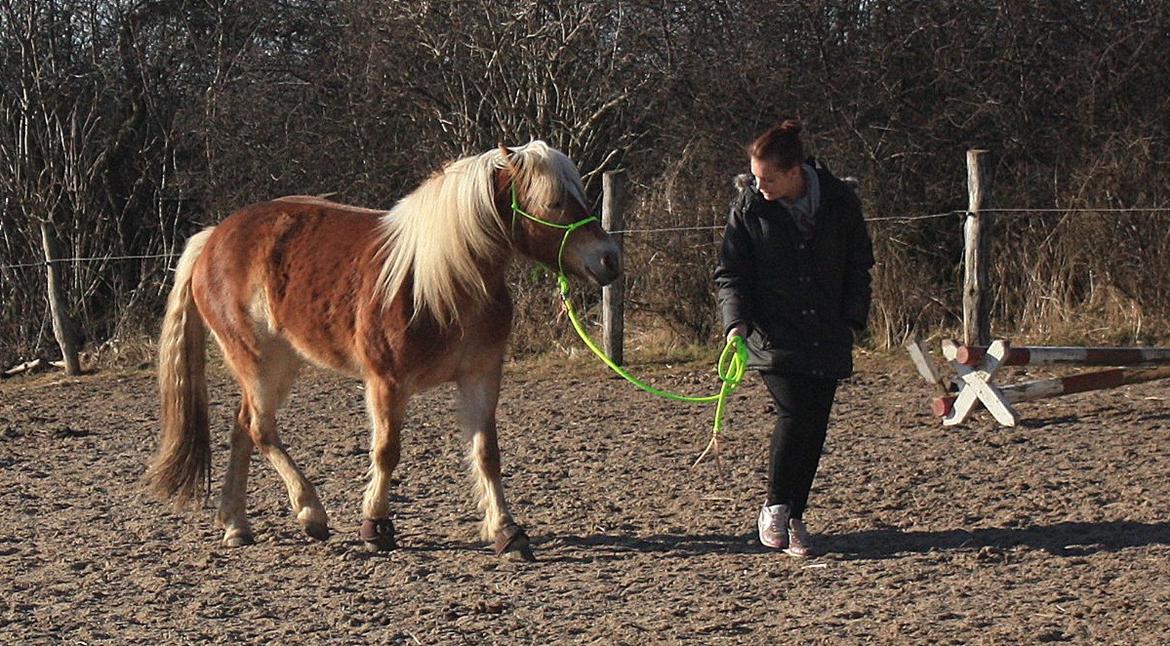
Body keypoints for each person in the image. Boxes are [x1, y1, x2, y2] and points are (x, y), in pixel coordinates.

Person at [714, 119, 874, 557]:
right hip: (774, 334)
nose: (758, 185)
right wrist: (736, 323)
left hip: (826, 331)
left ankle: (796, 516)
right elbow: (731, 273)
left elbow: (860, 262)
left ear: (794, 172)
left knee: (815, 421)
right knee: (795, 411)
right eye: (755, 176)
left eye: (767, 178)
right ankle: (775, 507)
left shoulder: (840, 202)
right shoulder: (749, 208)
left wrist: (852, 317)